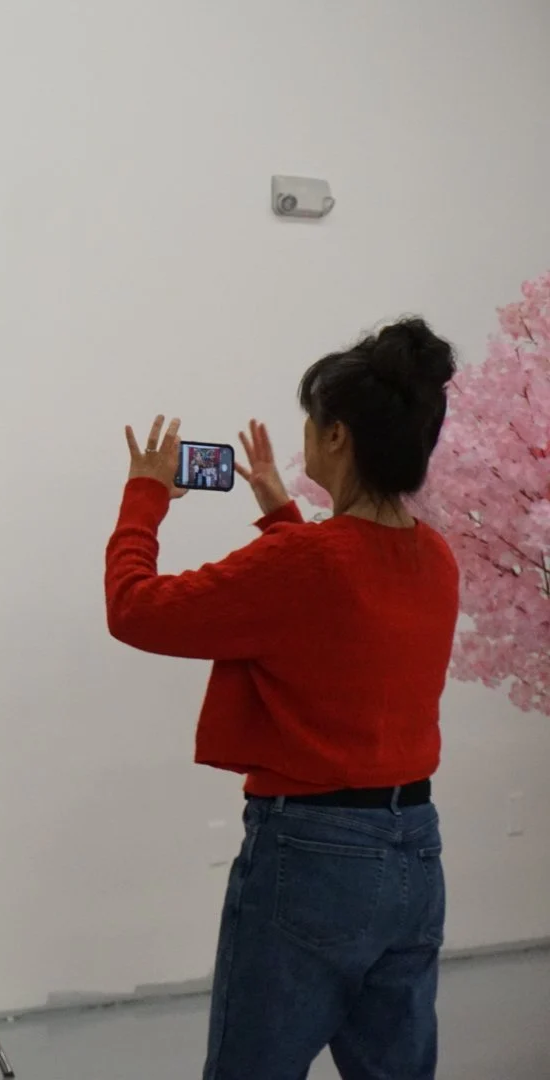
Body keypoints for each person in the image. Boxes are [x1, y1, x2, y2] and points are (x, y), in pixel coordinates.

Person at [104, 318, 460, 1080]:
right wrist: (278, 514)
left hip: (311, 855)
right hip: (415, 850)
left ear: (336, 437)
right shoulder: (434, 557)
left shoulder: (302, 562)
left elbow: (135, 608)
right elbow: (339, 619)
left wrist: (144, 497)